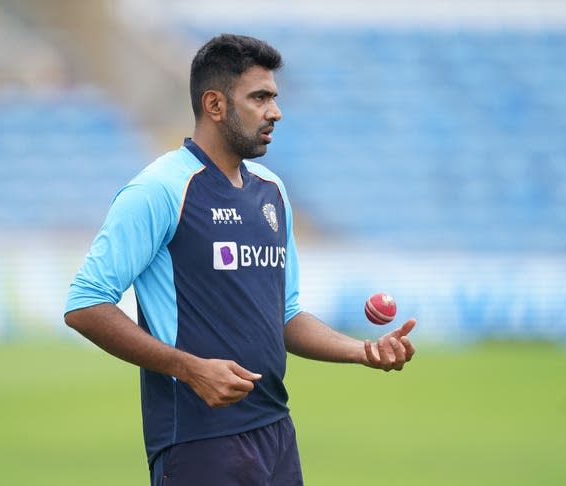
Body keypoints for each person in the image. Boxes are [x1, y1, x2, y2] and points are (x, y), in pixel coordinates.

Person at [64, 33, 416, 486]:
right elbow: (85, 304)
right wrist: (189, 368)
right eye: (260, 97)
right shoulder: (161, 189)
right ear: (214, 104)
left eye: (274, 97)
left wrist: (362, 350)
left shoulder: (272, 190)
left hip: (275, 431)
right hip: (199, 440)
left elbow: (284, 315)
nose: (276, 111)